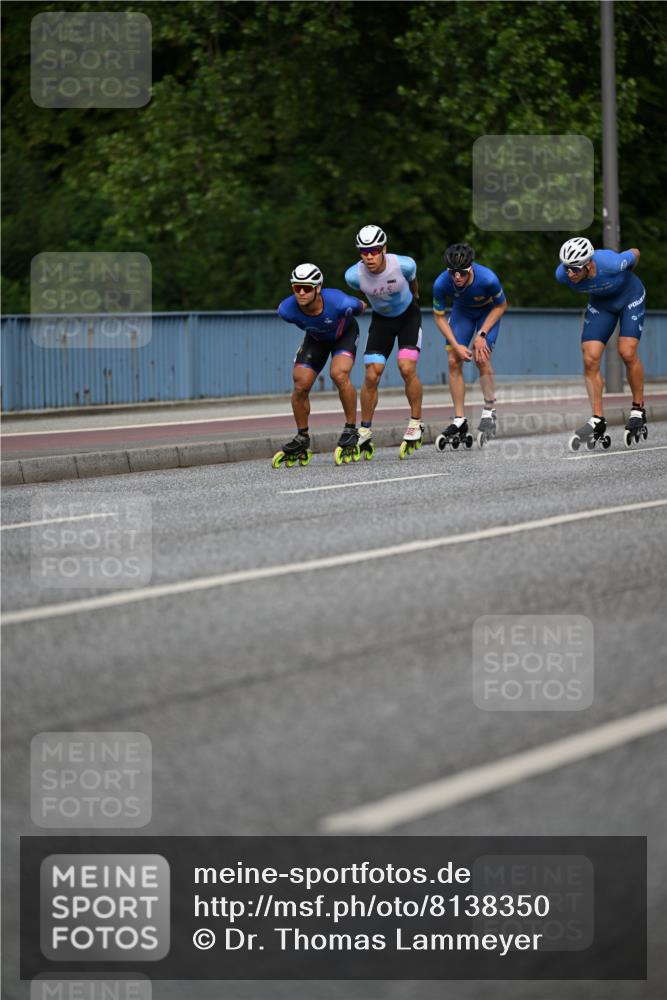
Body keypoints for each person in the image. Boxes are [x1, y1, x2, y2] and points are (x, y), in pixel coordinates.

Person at [556, 237, 646, 451]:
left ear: (589, 264)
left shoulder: (611, 263)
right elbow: (566, 271)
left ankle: (638, 409)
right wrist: (569, 270)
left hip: (630, 296)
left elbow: (636, 250)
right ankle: (597, 419)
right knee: (590, 357)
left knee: (627, 351)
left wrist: (627, 273)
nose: (570, 274)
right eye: (567, 268)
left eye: (575, 269)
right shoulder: (562, 275)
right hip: (601, 304)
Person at [272, 263, 366, 468]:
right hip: (316, 339)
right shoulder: (286, 310)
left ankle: (351, 429)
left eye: (307, 288)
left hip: (344, 335)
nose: (302, 293)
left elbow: (362, 305)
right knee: (300, 385)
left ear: (318, 288)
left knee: (339, 375)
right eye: (297, 288)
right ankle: (302, 437)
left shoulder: (339, 302)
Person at [344, 225, 424, 459]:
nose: (369, 256)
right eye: (364, 251)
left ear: (384, 249)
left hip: (409, 316)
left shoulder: (404, 264)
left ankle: (416, 422)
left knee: (406, 368)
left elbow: (414, 284)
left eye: (374, 250)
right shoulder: (353, 276)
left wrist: (415, 301)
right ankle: (365, 430)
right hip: (382, 321)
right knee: (371, 374)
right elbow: (366, 292)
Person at [432, 243, 508, 450]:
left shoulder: (488, 279)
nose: (457, 277)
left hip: (488, 313)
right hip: (462, 313)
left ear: (471, 267)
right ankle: (459, 419)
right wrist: (456, 345)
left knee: (481, 357)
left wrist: (482, 334)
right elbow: (438, 317)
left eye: (462, 272)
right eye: (452, 272)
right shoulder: (441, 283)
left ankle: (489, 410)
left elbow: (502, 305)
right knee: (452, 360)